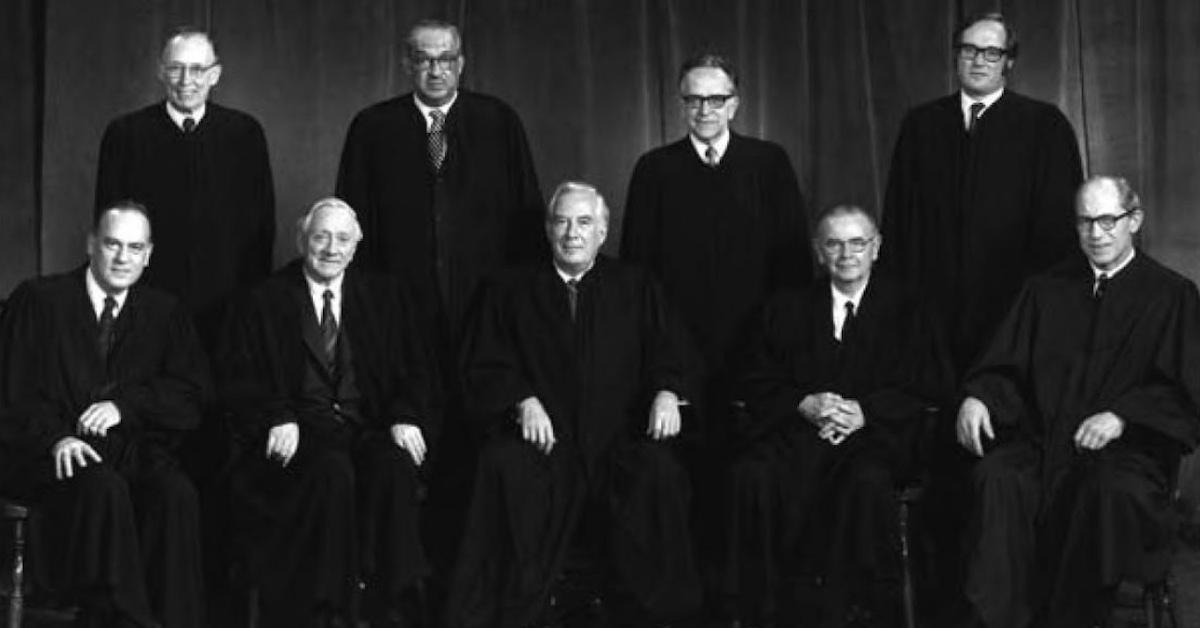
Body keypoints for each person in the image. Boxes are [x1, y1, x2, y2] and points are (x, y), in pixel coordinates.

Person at [447, 182, 702, 628]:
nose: (572, 233)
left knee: (659, 474)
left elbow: (672, 354)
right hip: (544, 441)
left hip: (617, 438)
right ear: (548, 229)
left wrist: (666, 391)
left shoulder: (635, 285)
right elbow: (483, 362)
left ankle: (654, 613)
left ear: (603, 232)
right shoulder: (508, 288)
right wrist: (520, 399)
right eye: (562, 221)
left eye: (584, 222)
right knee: (503, 466)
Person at [955, 176, 1200, 627]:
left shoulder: (1171, 294)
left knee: (1101, 490)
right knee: (998, 477)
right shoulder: (1045, 289)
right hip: (1045, 442)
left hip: (1127, 454)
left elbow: (1185, 391)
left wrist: (1124, 416)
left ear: (1135, 221)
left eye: (1109, 220)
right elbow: (1004, 365)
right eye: (1086, 221)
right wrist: (979, 397)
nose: (1097, 232)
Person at [722, 205, 948, 628]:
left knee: (866, 481)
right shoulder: (785, 308)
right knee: (752, 474)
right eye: (834, 244)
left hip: (877, 436)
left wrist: (867, 411)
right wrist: (802, 404)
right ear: (819, 251)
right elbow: (754, 379)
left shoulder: (909, 309)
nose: (847, 254)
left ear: (876, 248)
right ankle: (766, 613)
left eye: (857, 243)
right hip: (798, 434)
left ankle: (855, 614)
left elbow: (929, 387)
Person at [220, 198, 436, 627]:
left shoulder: (384, 297)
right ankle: (329, 609)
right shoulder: (264, 300)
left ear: (357, 246)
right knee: (333, 470)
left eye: (342, 239)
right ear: (302, 240)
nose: (331, 248)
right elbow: (235, 379)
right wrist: (276, 416)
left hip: (365, 427)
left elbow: (419, 371)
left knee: (393, 465)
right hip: (300, 432)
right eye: (321, 237)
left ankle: (393, 604)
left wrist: (406, 416)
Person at [0, 202, 210, 628]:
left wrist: (126, 406)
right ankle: (124, 621)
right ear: (91, 244)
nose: (122, 258)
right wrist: (56, 438)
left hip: (127, 450)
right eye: (113, 244)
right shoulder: (39, 300)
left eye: (135, 248)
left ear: (149, 254)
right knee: (103, 487)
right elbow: (11, 392)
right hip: (46, 455)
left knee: (175, 493)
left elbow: (192, 396)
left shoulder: (164, 311)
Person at [882, 11, 1084, 377]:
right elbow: (898, 218)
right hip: (933, 303)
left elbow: (1059, 229)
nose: (979, 61)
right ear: (956, 55)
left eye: (991, 52)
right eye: (969, 50)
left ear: (1009, 61)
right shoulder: (921, 125)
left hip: (1011, 303)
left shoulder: (1044, 126)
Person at [622, 52, 812, 433]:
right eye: (694, 100)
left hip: (756, 341)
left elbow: (793, 262)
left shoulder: (769, 163)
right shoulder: (654, 169)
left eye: (716, 100)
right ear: (681, 105)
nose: (704, 110)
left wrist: (780, 339)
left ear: (734, 105)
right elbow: (636, 268)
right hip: (678, 343)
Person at [335, 18, 543, 354]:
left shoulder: (498, 121)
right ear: (407, 64)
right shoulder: (372, 127)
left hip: (486, 302)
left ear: (460, 64)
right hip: (401, 303)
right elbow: (350, 219)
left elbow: (528, 214)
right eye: (424, 59)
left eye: (446, 59)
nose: (436, 70)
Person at [95, 28, 275, 344]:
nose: (185, 80)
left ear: (215, 75)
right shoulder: (126, 134)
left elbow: (261, 223)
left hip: (227, 297)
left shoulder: (244, 134)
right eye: (176, 68)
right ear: (161, 72)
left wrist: (251, 296)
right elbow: (107, 220)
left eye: (197, 70)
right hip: (149, 295)